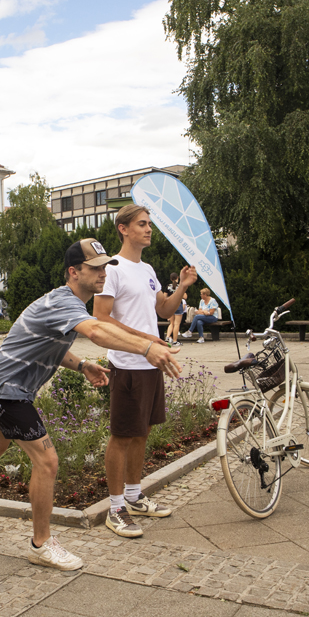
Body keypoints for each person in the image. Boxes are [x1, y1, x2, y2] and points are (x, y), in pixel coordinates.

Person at [0, 238, 182, 568]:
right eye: (95, 268)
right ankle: (41, 544)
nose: (103, 273)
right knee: (47, 462)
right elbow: (98, 332)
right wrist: (146, 348)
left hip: (1, 385)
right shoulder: (65, 302)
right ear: (74, 272)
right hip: (7, 390)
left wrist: (82, 365)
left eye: (105, 267)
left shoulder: (68, 303)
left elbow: (50, 345)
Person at [95, 204, 196, 539]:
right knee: (122, 436)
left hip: (151, 363)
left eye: (149, 224)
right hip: (127, 363)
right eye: (142, 224)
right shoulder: (112, 269)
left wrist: (183, 286)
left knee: (142, 432)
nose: (149, 229)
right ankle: (115, 509)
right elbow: (102, 318)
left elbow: (164, 309)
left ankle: (134, 496)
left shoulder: (148, 269)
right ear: (123, 229)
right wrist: (146, 340)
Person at [164, 272, 184, 346]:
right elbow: (185, 296)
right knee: (176, 324)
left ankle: (167, 337)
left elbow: (164, 297)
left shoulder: (168, 286)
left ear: (170, 279)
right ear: (177, 277)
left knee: (171, 323)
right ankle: (175, 341)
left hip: (170, 306)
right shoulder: (180, 286)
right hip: (178, 305)